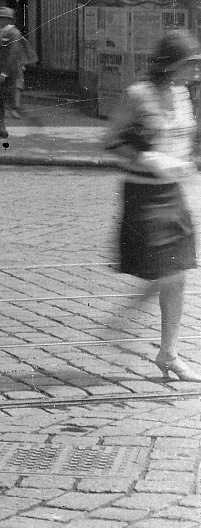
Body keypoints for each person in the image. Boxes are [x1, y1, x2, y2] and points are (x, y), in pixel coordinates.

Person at [104, 29, 201, 381]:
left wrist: (187, 160)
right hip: (143, 195)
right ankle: (124, 317)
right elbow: (112, 141)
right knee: (168, 271)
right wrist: (149, 159)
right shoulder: (138, 94)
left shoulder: (183, 95)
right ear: (172, 64)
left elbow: (188, 140)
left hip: (174, 195)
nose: (194, 72)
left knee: (178, 276)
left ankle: (169, 354)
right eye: (190, 64)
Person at [0, 6, 36, 138]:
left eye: (2, 18)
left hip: (10, 73)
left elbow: (13, 55)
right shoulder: (0, 33)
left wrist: (5, 73)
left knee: (10, 97)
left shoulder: (14, 33)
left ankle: (6, 125)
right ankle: (2, 128)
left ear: (9, 20)